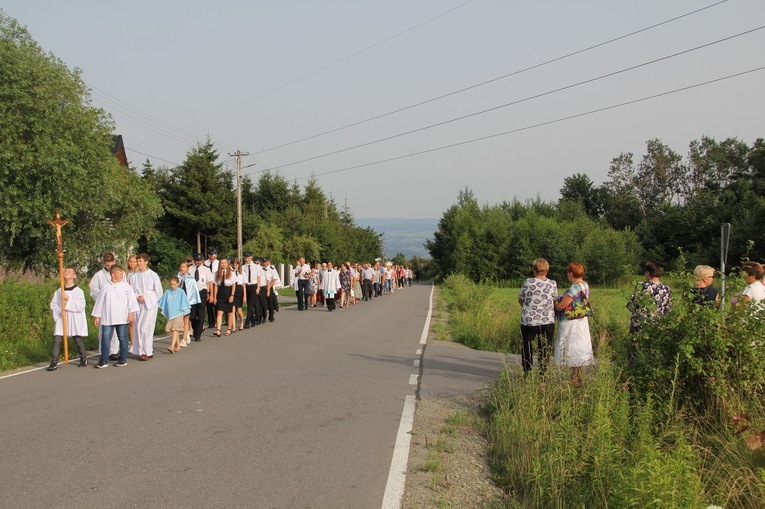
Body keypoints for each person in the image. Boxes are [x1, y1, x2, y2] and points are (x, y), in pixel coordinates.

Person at [553, 262, 594, 387]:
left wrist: (554, 307)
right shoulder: (585, 285)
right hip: (580, 321)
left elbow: (562, 305)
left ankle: (574, 380)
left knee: (571, 349)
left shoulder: (575, 287)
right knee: (578, 349)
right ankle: (577, 379)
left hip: (571, 322)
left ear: (571, 274)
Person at [91, 264, 139, 368]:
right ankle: (103, 360)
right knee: (105, 338)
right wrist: (97, 316)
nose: (122, 275)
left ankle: (123, 359)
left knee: (122, 338)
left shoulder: (126, 286)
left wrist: (131, 313)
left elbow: (132, 301)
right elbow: (100, 302)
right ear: (113, 275)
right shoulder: (105, 287)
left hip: (122, 317)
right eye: (120, 273)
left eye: (122, 273)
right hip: (108, 318)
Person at [517, 258, 557, 375]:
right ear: (547, 270)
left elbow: (520, 299)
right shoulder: (552, 283)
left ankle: (527, 373)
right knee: (544, 348)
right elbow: (554, 300)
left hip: (529, 321)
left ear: (534, 270)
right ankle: (542, 374)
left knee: (527, 346)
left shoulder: (528, 282)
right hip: (547, 321)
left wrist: (527, 307)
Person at [48, 267, 89, 370]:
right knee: (57, 339)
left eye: (69, 271)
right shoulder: (59, 291)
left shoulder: (78, 291)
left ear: (74, 276)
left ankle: (83, 358)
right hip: (63, 317)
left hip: (73, 317)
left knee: (77, 338)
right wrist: (59, 310)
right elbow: (53, 304)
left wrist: (68, 299)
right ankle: (53, 362)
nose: (66, 272)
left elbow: (80, 305)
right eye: (65, 271)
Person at [130, 253, 163, 361]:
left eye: (140, 261)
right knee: (138, 327)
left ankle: (147, 351)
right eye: (137, 261)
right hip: (138, 305)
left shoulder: (153, 275)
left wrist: (146, 298)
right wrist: (137, 297)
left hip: (149, 305)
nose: (138, 263)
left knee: (146, 328)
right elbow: (131, 291)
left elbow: (158, 292)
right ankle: (140, 350)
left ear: (146, 262)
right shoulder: (134, 276)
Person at [89, 252, 120, 360]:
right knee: (104, 329)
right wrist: (102, 295)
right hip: (104, 306)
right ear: (104, 264)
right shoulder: (99, 275)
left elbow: (123, 287)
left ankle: (114, 351)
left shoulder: (120, 273)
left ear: (114, 262)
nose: (109, 267)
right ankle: (104, 351)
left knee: (116, 328)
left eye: (111, 265)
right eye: (107, 266)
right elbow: (93, 289)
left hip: (116, 305)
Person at [627, 262, 672, 334]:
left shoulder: (642, 286)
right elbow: (668, 309)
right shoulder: (666, 288)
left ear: (647, 272)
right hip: (657, 325)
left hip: (639, 325)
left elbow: (631, 305)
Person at [158, 276, 191, 353]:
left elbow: (184, 302)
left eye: (174, 284)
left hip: (178, 313)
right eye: (171, 284)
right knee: (173, 330)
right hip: (171, 313)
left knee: (175, 329)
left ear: (178, 284)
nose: (173, 286)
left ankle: (172, 346)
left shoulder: (181, 291)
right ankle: (178, 346)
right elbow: (163, 302)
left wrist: (184, 311)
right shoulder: (167, 292)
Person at [188, 253, 213, 342]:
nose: (198, 262)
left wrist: (210, 294)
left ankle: (198, 335)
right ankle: (197, 328)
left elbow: (209, 282)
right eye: (196, 260)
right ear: (194, 260)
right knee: (192, 315)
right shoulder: (189, 268)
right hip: (192, 293)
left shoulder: (206, 269)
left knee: (201, 314)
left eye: (200, 260)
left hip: (202, 292)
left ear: (202, 260)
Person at [178, 260, 202, 346]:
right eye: (181, 267)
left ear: (188, 268)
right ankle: (186, 334)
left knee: (189, 318)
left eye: (184, 267)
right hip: (180, 301)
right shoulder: (178, 278)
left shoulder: (191, 279)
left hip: (189, 301)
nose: (182, 269)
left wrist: (195, 301)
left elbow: (194, 291)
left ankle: (186, 336)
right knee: (183, 319)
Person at [213, 256, 237, 336]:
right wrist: (214, 296)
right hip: (220, 293)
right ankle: (218, 329)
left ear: (227, 264)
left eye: (225, 263)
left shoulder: (232, 273)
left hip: (228, 292)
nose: (223, 265)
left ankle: (229, 329)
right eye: (222, 263)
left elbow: (234, 285)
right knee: (219, 312)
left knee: (229, 313)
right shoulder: (217, 273)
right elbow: (216, 285)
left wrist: (232, 295)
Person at [242, 252, 260, 327]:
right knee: (249, 303)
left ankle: (247, 322)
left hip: (253, 286)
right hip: (247, 286)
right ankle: (252, 321)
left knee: (251, 304)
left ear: (251, 257)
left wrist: (258, 287)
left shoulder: (256, 266)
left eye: (248, 257)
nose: (247, 259)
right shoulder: (243, 267)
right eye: (246, 258)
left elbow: (258, 277)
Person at [204, 249, 219, 328]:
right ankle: (211, 323)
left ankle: (218, 321)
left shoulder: (218, 263)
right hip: (207, 284)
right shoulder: (205, 263)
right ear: (208, 255)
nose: (213, 256)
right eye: (211, 254)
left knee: (216, 304)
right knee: (209, 305)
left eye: (214, 254)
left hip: (216, 284)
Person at [231, 258, 246, 331]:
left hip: (240, 290)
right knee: (233, 310)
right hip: (233, 290)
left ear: (239, 265)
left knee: (239, 310)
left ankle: (241, 323)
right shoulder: (231, 272)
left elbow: (244, 285)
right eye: (234, 265)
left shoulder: (242, 273)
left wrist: (245, 296)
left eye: (236, 265)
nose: (235, 267)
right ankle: (233, 327)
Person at [263, 257, 278, 322]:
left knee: (270, 302)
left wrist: (269, 287)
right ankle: (264, 316)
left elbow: (274, 279)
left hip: (270, 286)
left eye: (265, 262)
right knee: (264, 302)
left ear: (268, 261)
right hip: (263, 286)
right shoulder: (261, 269)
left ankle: (271, 316)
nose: (264, 263)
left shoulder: (272, 269)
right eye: (263, 262)